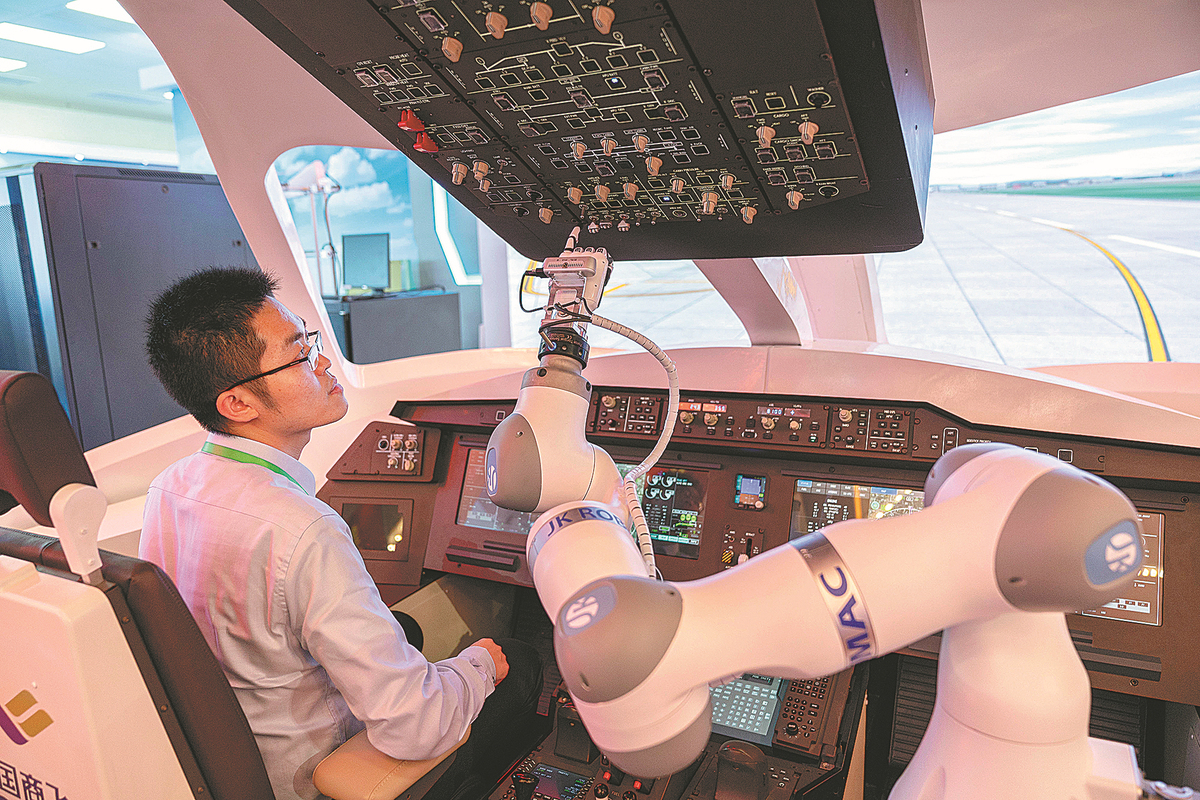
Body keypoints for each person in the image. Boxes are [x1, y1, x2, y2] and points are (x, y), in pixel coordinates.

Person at [140, 266, 542, 800]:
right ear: (238, 404)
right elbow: (416, 727)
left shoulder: (169, 487)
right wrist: (478, 667)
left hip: (232, 756)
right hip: (308, 775)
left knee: (405, 629)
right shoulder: (302, 528)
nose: (323, 361)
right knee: (519, 659)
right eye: (300, 355)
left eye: (309, 340)